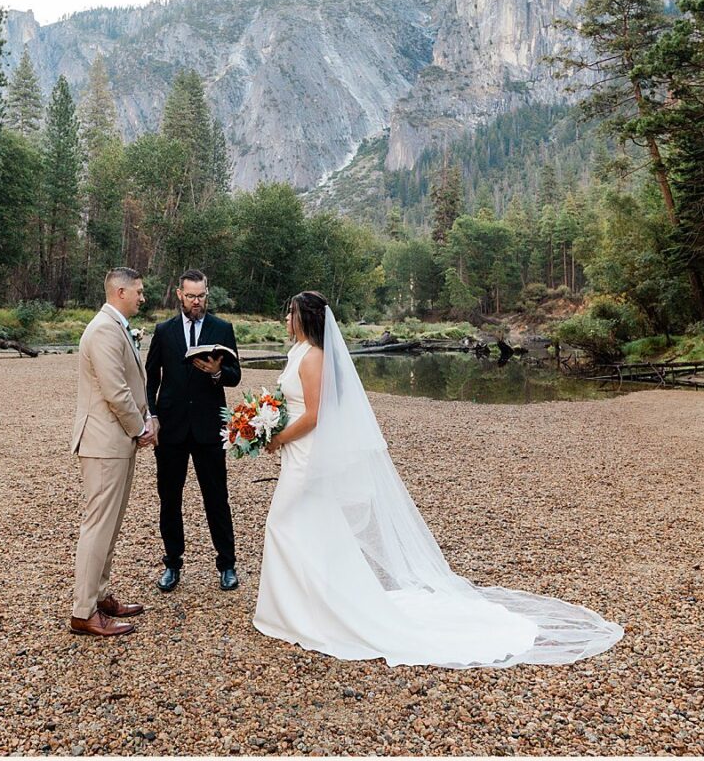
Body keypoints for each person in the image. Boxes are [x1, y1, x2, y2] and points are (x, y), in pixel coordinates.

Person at [253, 290, 624, 667]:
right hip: (296, 454)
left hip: (307, 454)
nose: (286, 319)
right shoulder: (297, 352)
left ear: (307, 319)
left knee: (284, 523)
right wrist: (267, 424)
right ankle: (303, 606)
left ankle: (310, 610)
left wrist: (278, 436)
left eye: (291, 313)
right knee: (309, 528)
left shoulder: (314, 356)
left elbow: (316, 414)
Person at [68, 267, 158, 638]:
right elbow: (115, 390)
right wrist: (140, 429)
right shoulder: (104, 329)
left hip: (116, 441)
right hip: (105, 442)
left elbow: (135, 385)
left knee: (111, 523)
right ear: (120, 291)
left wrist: (147, 416)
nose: (142, 296)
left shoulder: (117, 326)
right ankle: (83, 611)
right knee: (98, 524)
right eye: (138, 291)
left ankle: (101, 595)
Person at [144, 269, 243, 592]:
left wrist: (217, 373)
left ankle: (226, 565)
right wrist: (153, 415)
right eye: (191, 296)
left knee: (217, 497)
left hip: (208, 427)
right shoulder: (164, 330)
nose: (196, 302)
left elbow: (235, 374)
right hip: (171, 428)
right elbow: (151, 379)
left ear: (207, 294)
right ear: (179, 295)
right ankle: (172, 564)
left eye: (201, 296)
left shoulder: (222, 328)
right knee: (169, 499)